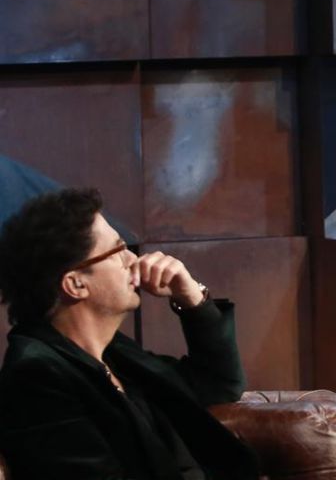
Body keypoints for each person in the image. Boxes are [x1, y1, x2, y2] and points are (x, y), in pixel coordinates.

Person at [0, 188, 259, 479]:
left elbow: (219, 384)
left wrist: (192, 299)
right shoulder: (35, 377)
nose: (134, 260)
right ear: (75, 285)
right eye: (118, 250)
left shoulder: (114, 353)